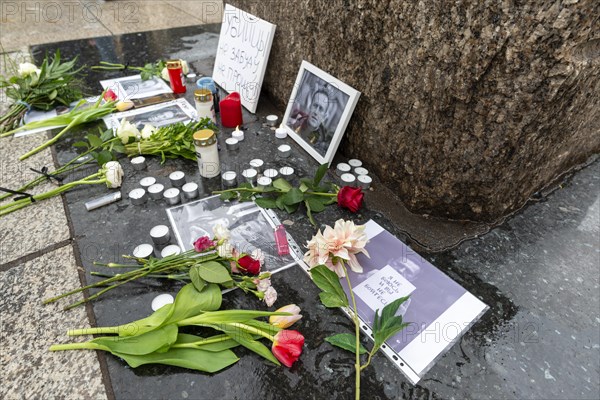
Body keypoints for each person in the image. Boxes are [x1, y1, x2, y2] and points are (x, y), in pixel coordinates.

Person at [289, 89, 333, 154]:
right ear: (310, 106)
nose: (316, 112)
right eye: (315, 105)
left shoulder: (322, 144)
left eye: (321, 109)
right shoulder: (294, 124)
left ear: (324, 116)